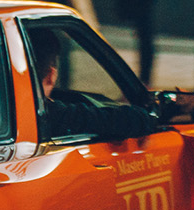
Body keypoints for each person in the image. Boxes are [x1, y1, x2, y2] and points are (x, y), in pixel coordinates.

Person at [26, 28, 156, 143]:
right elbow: (117, 120)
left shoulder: (8, 115)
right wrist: (148, 116)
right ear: (51, 76)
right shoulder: (49, 116)